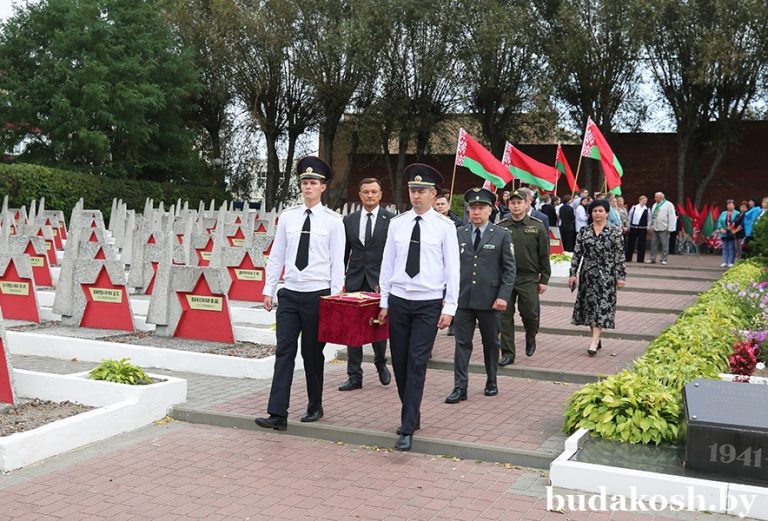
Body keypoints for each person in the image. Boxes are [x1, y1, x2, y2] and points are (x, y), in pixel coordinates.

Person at [255, 156, 345, 431]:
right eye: (305, 182)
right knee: (284, 351)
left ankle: (314, 404)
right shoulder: (289, 217)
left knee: (311, 353)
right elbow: (277, 255)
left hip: (317, 295)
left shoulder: (333, 221)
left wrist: (334, 298)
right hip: (290, 293)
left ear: (323, 187)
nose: (308, 187)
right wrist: (269, 288)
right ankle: (277, 413)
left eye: (313, 183)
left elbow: (336, 262)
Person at [377, 163, 460, 452]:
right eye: (413, 190)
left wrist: (449, 307)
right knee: (399, 362)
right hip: (399, 300)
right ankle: (412, 411)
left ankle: (407, 425)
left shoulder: (445, 227)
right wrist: (384, 301)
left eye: (422, 191)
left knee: (416, 362)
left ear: (433, 193)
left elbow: (453, 270)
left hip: (427, 303)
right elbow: (387, 265)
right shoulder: (397, 224)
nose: (416, 195)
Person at [445, 188, 516, 404]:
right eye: (473, 208)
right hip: (464, 299)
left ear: (490, 210)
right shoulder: (459, 233)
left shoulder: (502, 235)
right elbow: (448, 266)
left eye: (481, 208)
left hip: (490, 300)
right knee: (462, 343)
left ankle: (491, 380)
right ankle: (460, 387)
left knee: (490, 343)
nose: (476, 212)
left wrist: (503, 296)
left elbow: (509, 269)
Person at [338, 177, 394, 392]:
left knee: (378, 326)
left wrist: (388, 283)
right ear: (360, 195)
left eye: (374, 192)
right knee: (352, 330)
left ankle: (380, 363)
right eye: (365, 192)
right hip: (354, 281)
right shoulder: (349, 220)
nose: (370, 195)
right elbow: (343, 253)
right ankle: (354, 375)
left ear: (380, 194)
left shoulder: (391, 220)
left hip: (379, 282)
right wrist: (339, 282)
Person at [497, 189, 550, 366]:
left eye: (519, 202)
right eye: (512, 203)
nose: (516, 206)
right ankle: (508, 353)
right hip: (506, 278)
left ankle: (531, 335)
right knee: (504, 316)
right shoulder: (502, 226)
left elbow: (544, 254)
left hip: (528, 277)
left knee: (530, 313)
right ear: (508, 205)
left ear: (527, 204)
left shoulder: (537, 226)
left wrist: (544, 280)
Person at [568, 199, 627, 356]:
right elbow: (577, 254)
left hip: (607, 276)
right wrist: (573, 273)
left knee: (601, 308)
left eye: (601, 211)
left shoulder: (615, 232)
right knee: (590, 308)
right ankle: (596, 336)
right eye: (594, 211)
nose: (597, 214)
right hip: (588, 275)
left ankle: (593, 342)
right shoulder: (584, 231)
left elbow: (620, 256)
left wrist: (621, 276)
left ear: (607, 213)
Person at [646, 192, 676, 265]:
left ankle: (664, 259)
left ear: (661, 198)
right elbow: (652, 217)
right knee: (653, 244)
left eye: (656, 197)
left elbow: (672, 217)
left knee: (665, 244)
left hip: (664, 227)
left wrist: (671, 228)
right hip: (655, 227)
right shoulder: (654, 205)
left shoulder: (669, 205)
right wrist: (649, 226)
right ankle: (652, 258)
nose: (654, 198)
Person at [717, 199, 739, 268]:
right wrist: (721, 229)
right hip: (724, 232)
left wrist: (732, 228)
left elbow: (738, 223)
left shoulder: (737, 213)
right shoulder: (723, 213)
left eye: (731, 204)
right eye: (728, 205)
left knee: (731, 247)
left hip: (732, 232)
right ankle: (724, 261)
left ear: (734, 205)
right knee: (725, 247)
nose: (729, 206)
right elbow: (719, 222)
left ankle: (731, 262)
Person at [626, 195, 649, 262]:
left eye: (645, 201)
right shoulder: (634, 207)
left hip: (643, 228)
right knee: (631, 242)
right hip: (633, 227)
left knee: (641, 243)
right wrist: (628, 226)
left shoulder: (647, 209)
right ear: (640, 200)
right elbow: (629, 217)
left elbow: (649, 219)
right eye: (643, 200)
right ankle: (628, 258)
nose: (644, 202)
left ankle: (640, 259)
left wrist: (648, 227)